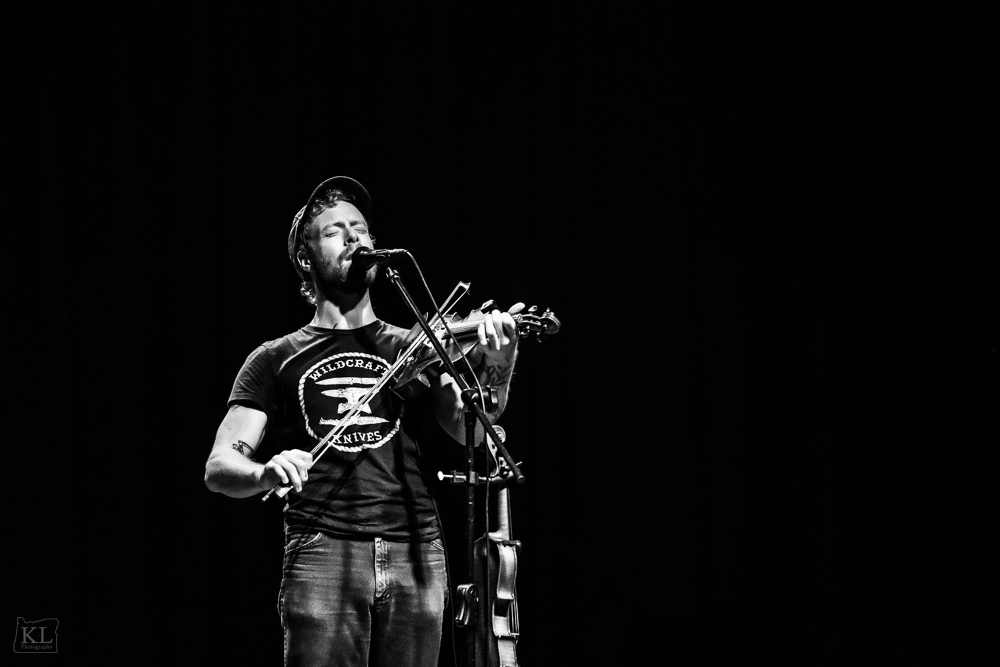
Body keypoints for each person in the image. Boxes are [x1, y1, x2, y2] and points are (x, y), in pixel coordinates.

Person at [204, 176, 521, 667]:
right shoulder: (274, 358)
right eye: (335, 231)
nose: (354, 238)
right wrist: (266, 471)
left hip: (417, 551)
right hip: (322, 551)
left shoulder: (413, 345)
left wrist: (499, 362)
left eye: (361, 228)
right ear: (306, 258)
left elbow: (472, 430)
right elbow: (220, 467)